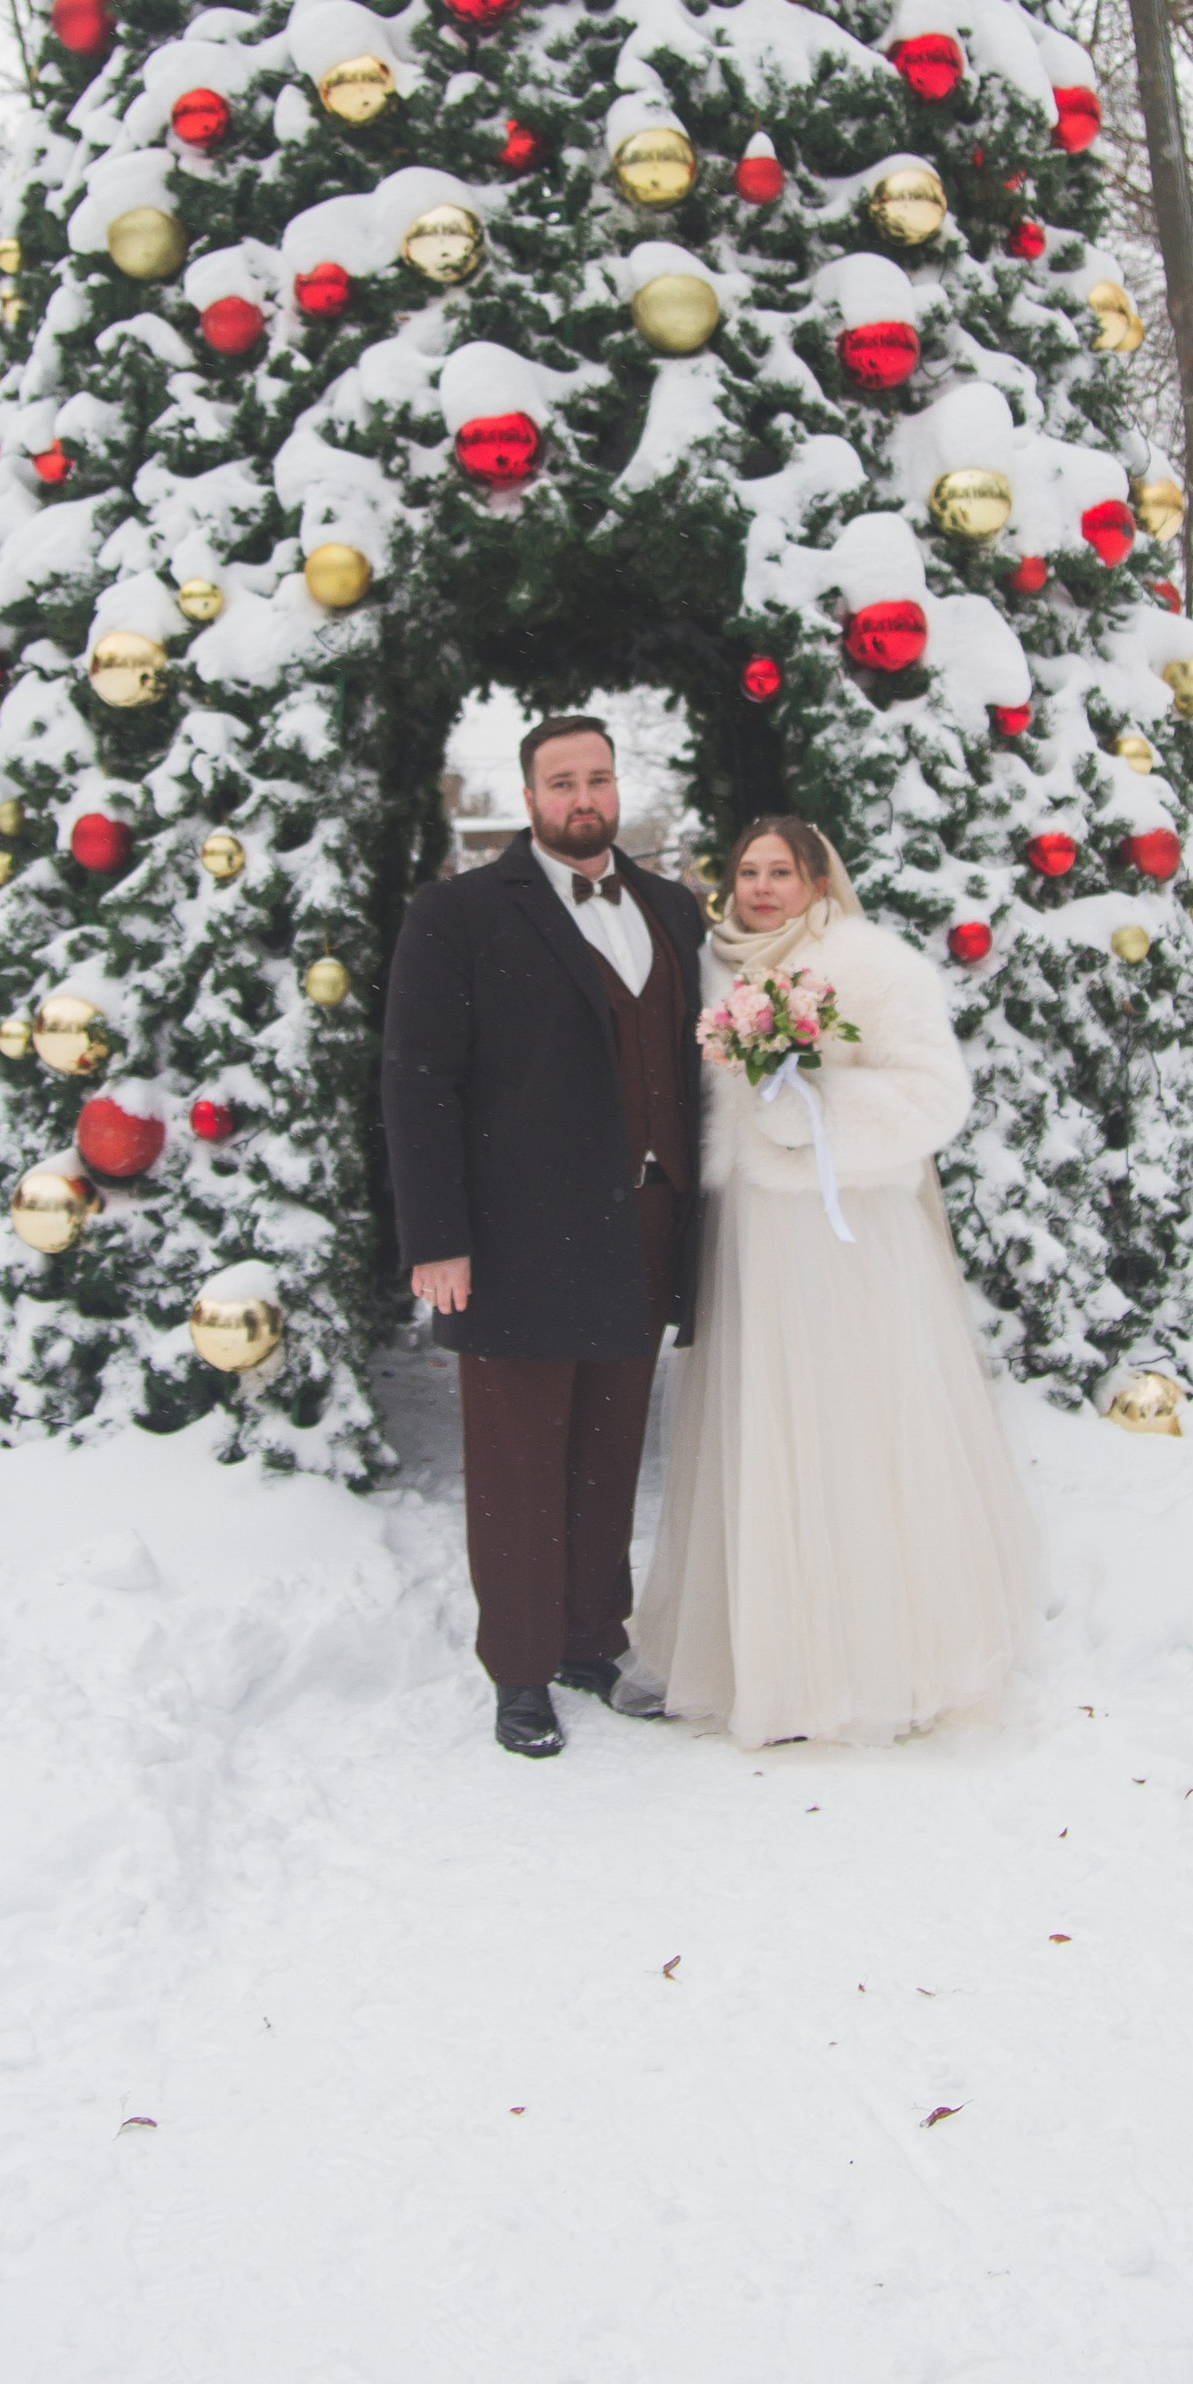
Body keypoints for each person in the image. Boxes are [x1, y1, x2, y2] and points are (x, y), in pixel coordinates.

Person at [629, 816, 1037, 1748]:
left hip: (843, 1236)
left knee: (855, 1435)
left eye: (782, 872)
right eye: (748, 872)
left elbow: (934, 1095)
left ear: (819, 883)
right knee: (763, 1432)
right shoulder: (710, 970)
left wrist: (811, 1117)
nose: (761, 889)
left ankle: (879, 1664)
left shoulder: (871, 964)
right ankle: (770, 1668)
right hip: (749, 1240)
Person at [381, 715, 706, 1757]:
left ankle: (591, 1639)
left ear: (618, 788)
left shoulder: (671, 909)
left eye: (598, 778)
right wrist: (437, 1237)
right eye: (561, 782)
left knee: (611, 1447)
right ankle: (519, 1670)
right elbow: (418, 1080)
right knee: (520, 1459)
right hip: (515, 1235)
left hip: (647, 1220)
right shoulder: (459, 913)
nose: (583, 798)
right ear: (528, 798)